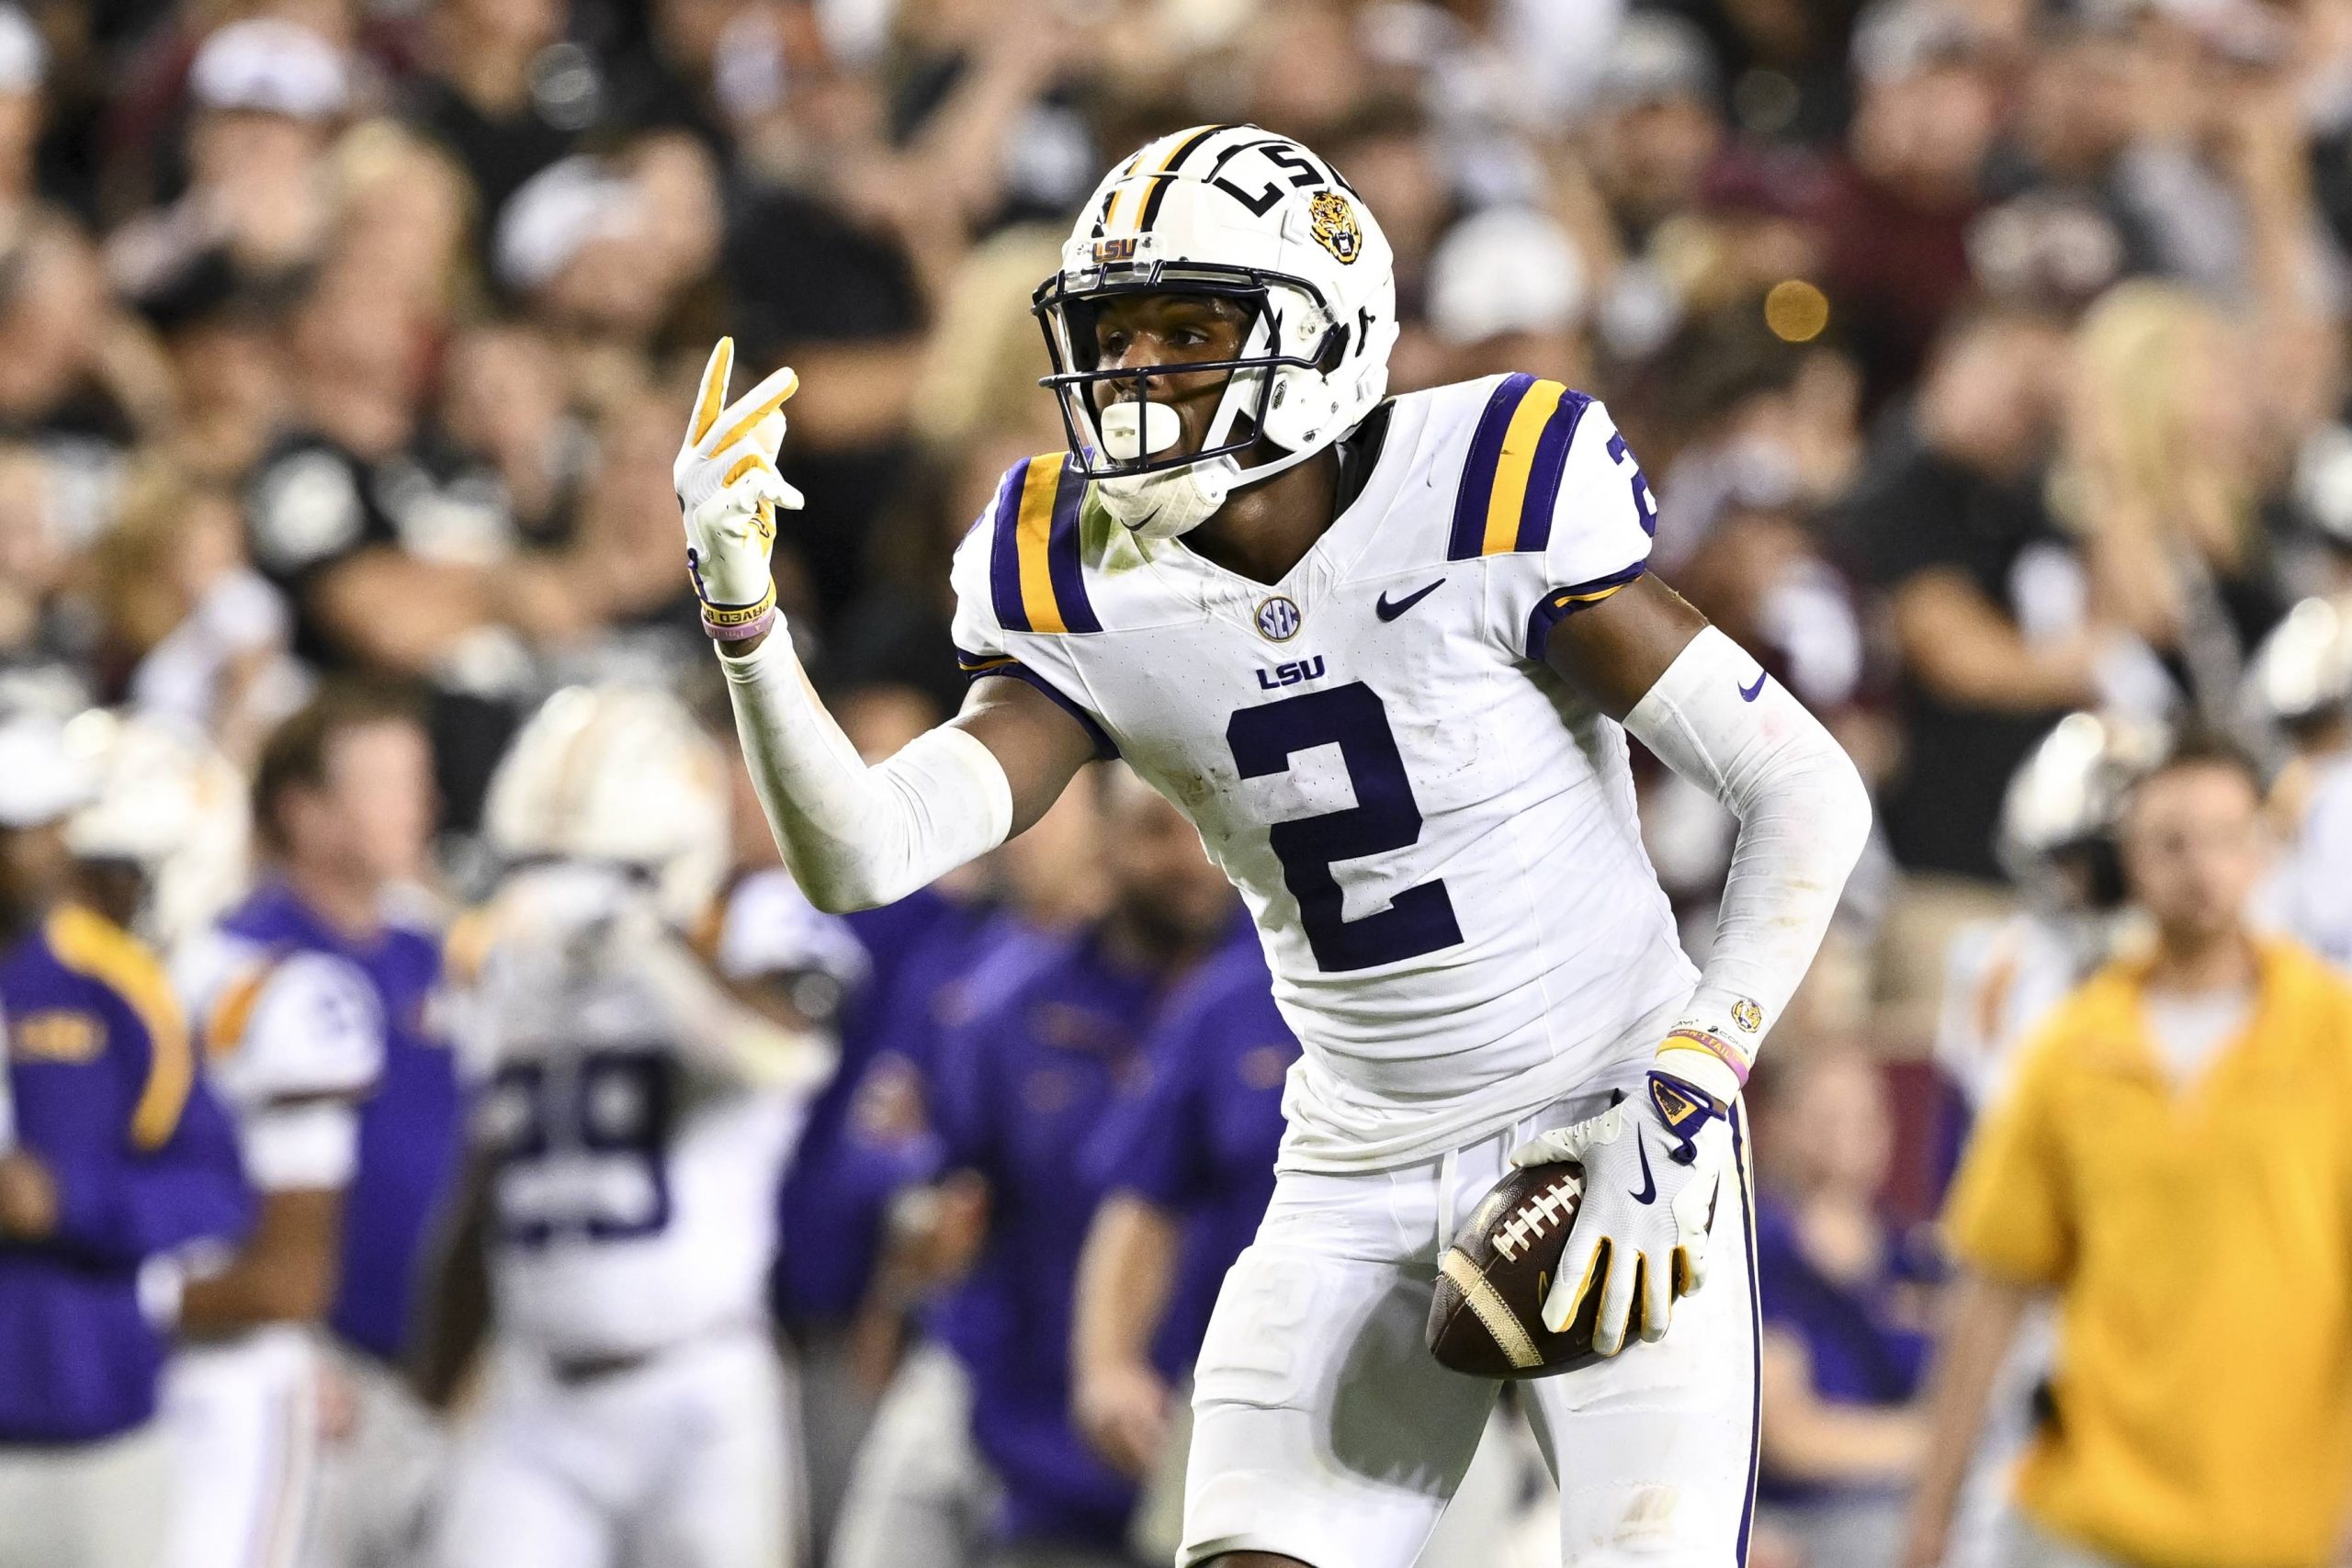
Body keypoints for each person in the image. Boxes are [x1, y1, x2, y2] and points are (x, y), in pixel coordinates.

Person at [684, 123, 1871, 1564]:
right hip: (1353, 1161)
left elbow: (1805, 787)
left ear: (1324, 331)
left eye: (1189, 328)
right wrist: (749, 625)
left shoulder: (1489, 480)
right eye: (1115, 336)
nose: (1134, 374)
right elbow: (863, 854)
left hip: (1611, 1116)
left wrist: (1691, 1088)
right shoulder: (1077, 567)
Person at [417, 684, 847, 1568]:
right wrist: (429, 1384)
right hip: (534, 1388)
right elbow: (487, 1172)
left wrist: (640, 938)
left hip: (699, 1392)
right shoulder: (512, 961)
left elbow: (788, 1048)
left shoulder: (747, 927)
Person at [1905, 737, 2352, 1568]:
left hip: (2281, 1521)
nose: (2203, 869)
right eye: (2172, 842)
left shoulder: (2334, 1034)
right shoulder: (2074, 1047)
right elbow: (1993, 1286)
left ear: (2262, 848)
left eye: (2226, 836)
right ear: (2132, 860)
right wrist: (1930, 1514)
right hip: (2091, 1516)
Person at [831, 763, 1238, 1568]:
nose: (1190, 858)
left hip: (1238, 1428)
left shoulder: (1286, 1000)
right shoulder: (1007, 1005)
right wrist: (922, 1228)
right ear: (1104, 840)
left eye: (1206, 827)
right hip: (1049, 1428)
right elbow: (927, 1179)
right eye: (1157, 830)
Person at [164, 686, 438, 1568]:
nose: (420, 805)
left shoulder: (439, 951)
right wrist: (285, 1346)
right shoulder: (227, 968)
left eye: (418, 779)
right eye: (387, 782)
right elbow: (197, 1181)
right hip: (309, 1364)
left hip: (439, 1368)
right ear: (305, 810)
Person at [0, 712, 252, 1568]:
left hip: (91, 1428)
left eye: (25, 831)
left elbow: (211, 1191)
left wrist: (68, 1200)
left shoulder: (116, 985)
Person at [1750, 1047, 1937, 1567]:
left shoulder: (1910, 1252)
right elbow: (1790, 1439)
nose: (1846, 1135)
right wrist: (1941, 1445)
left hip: (1912, 1496)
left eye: (1864, 1116)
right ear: (1774, 1125)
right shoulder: (1762, 1253)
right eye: (1825, 1116)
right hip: (1811, 1516)